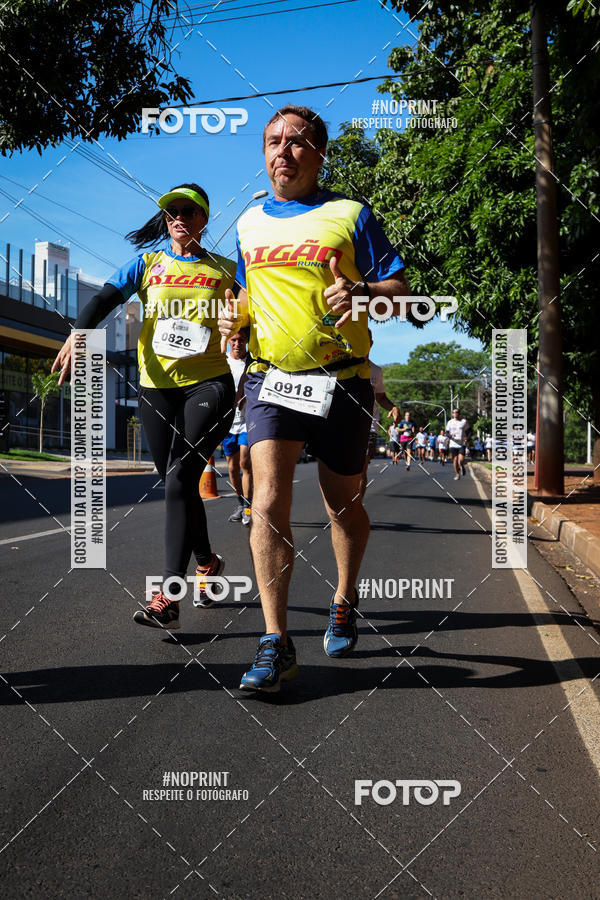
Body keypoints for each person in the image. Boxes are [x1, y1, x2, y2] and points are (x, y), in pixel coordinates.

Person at [218, 104, 410, 691]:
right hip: (271, 378)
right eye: (272, 141)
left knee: (341, 505)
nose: (283, 150)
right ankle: (275, 641)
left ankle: (344, 599)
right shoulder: (249, 223)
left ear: (320, 153)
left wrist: (362, 292)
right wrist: (235, 319)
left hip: (343, 380)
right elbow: (248, 292)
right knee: (267, 500)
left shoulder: (351, 215)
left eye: (297, 141)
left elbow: (401, 293)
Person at [53, 183, 236, 628]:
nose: (179, 218)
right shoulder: (147, 264)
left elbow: (264, 309)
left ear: (203, 219)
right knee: (177, 483)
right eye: (173, 212)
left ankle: (168, 597)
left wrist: (246, 332)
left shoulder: (226, 269)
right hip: (156, 387)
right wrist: (80, 336)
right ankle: (207, 561)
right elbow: (102, 299)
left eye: (188, 211)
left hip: (208, 385)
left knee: (179, 478)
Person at [361, 329, 399, 496]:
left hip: (368, 425)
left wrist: (393, 408)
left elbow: (381, 397)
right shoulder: (342, 367)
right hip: (344, 425)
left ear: (371, 343)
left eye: (365, 340)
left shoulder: (375, 371)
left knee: (360, 469)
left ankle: (355, 506)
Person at [223, 328, 252, 525]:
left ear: (246, 341)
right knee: (232, 468)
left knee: (244, 463)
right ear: (228, 341)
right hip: (227, 422)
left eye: (241, 340)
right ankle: (240, 504)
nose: (237, 343)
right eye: (233, 340)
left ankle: (249, 507)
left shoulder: (252, 362)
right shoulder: (222, 363)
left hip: (248, 421)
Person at [446, 407, 469, 480]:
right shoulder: (450, 422)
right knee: (455, 460)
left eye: (457, 412)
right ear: (452, 414)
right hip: (453, 444)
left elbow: (470, 431)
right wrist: (450, 436)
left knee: (461, 460)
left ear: (459, 414)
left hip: (461, 443)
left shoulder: (463, 421)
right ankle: (457, 474)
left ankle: (462, 466)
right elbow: (447, 433)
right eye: (454, 412)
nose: (455, 413)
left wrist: (467, 438)